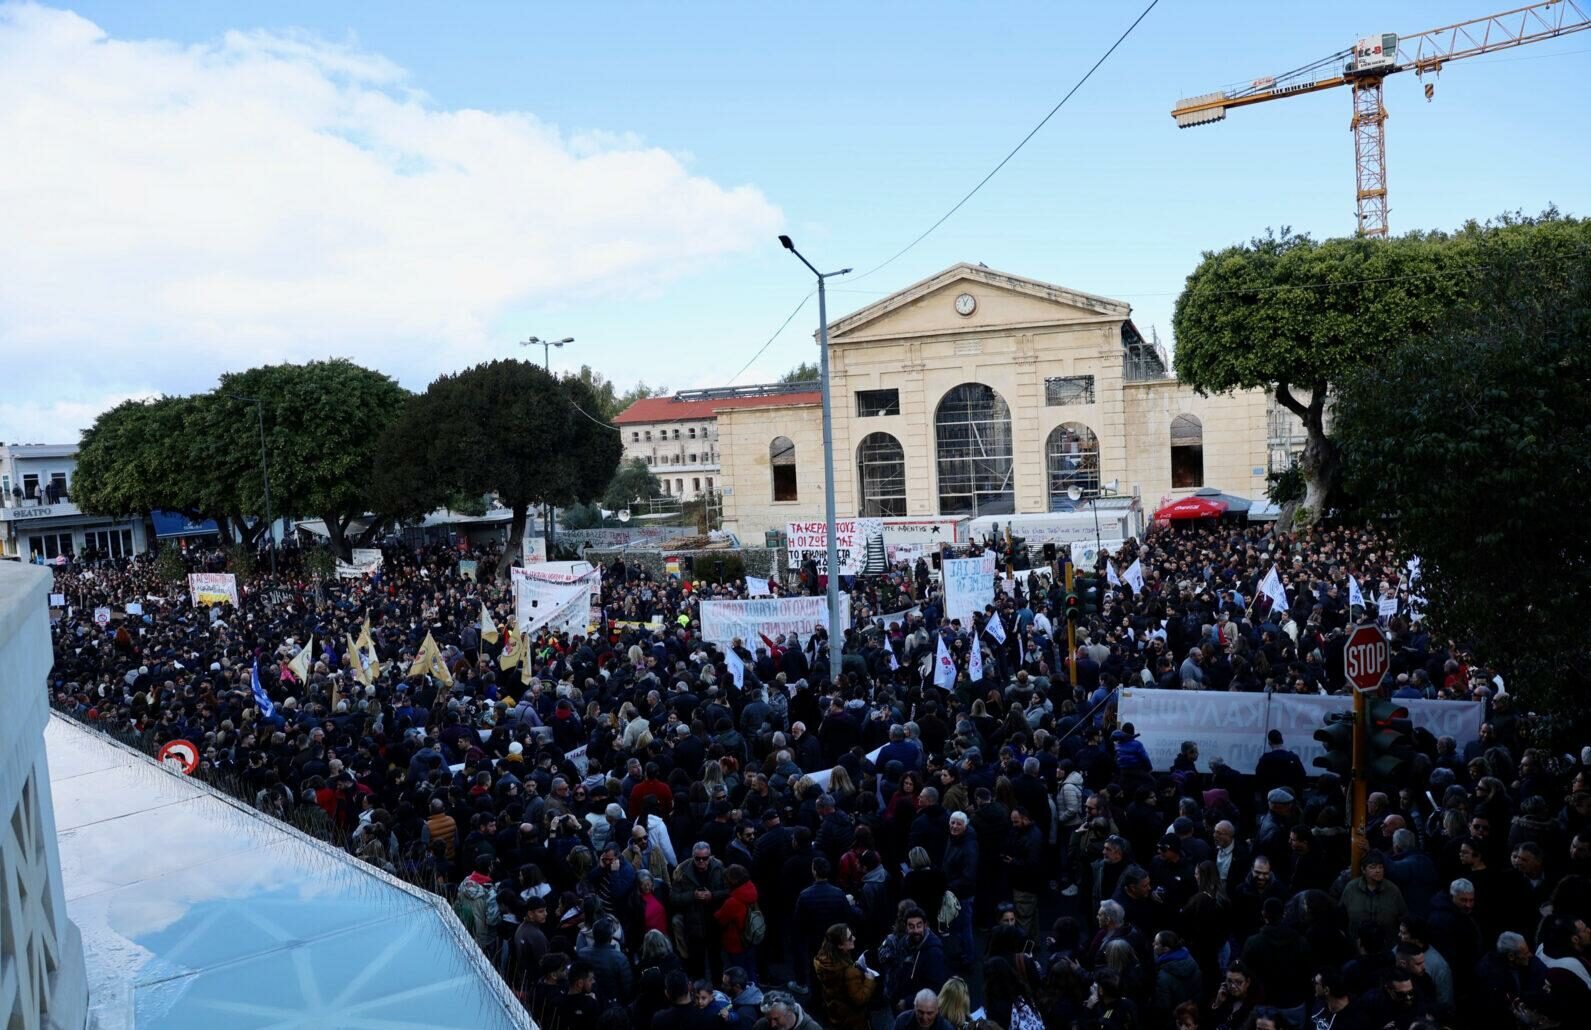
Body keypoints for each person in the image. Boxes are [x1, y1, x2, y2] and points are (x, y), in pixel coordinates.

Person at [880, 907, 948, 1016]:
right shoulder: (904, 943)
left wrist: (908, 1002)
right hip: (899, 1002)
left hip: (917, 1010)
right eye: (911, 926)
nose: (916, 930)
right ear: (906, 927)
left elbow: (934, 988)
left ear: (925, 925)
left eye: (919, 925)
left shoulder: (934, 953)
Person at [811, 923, 879, 1030]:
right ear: (840, 945)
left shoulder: (822, 960)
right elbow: (860, 999)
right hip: (853, 1019)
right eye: (850, 938)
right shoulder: (849, 972)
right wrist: (869, 980)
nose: (854, 938)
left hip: (835, 1013)